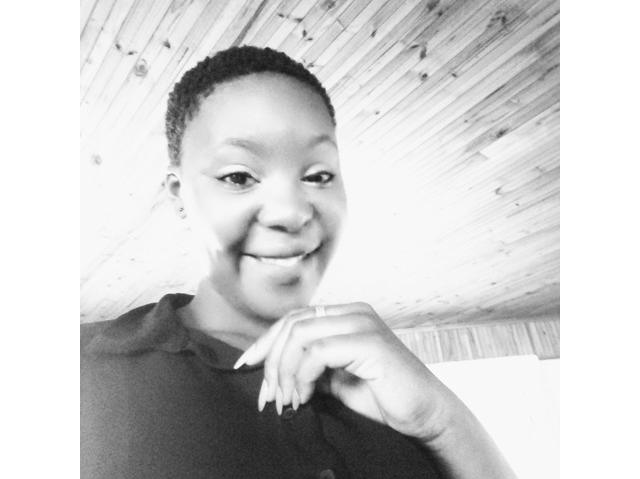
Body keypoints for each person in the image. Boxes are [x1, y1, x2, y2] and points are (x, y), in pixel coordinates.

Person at [81, 46, 517, 479]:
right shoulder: (76, 374)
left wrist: (441, 420)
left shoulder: (388, 386)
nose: (291, 212)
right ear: (180, 196)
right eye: (239, 176)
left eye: (318, 176)